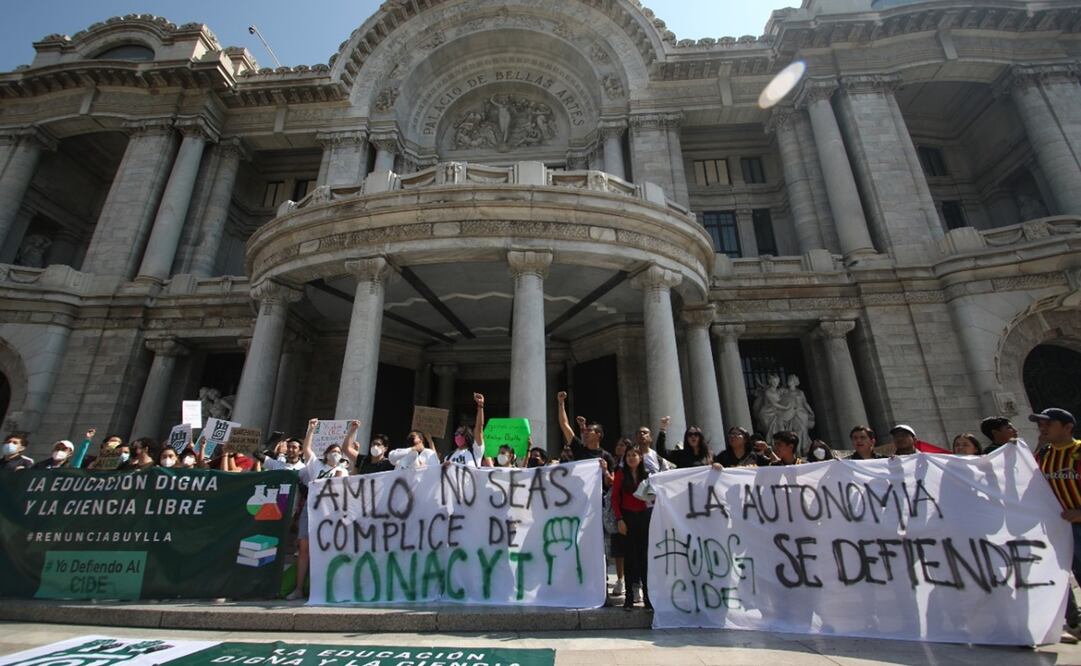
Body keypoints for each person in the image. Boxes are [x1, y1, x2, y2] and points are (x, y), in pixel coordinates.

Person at [287, 418, 355, 601]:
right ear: (326, 454)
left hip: (330, 515)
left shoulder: (342, 470)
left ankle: (326, 589)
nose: (336, 454)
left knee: (328, 550)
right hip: (311, 512)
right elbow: (307, 449)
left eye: (338, 452)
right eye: (333, 451)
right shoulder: (316, 465)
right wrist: (311, 430)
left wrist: (341, 470)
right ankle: (299, 588)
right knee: (304, 549)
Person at [1029, 408, 1081, 642]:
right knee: (1061, 574)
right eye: (1040, 423)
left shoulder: (1078, 451)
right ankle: (1075, 621)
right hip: (1059, 528)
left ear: (1068, 427)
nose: (1043, 427)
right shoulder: (1044, 455)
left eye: (1048, 423)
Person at [611, 447, 652, 610]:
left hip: (643, 516)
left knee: (644, 558)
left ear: (640, 458)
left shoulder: (647, 475)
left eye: (634, 455)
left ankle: (648, 597)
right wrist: (619, 519)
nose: (631, 458)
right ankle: (628, 597)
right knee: (629, 558)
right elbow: (615, 498)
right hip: (627, 518)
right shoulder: (621, 474)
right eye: (628, 455)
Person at [556, 390, 615, 485]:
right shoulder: (579, 449)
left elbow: (611, 482)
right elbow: (564, 424)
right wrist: (561, 403)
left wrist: (605, 471)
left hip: (598, 498)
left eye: (589, 431)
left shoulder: (606, 456)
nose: (585, 432)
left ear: (598, 434)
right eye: (585, 430)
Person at [445, 393, 489, 467]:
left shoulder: (476, 451)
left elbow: (479, 428)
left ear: (466, 435)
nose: (457, 435)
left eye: (460, 433)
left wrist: (480, 406)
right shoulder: (448, 457)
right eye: (456, 433)